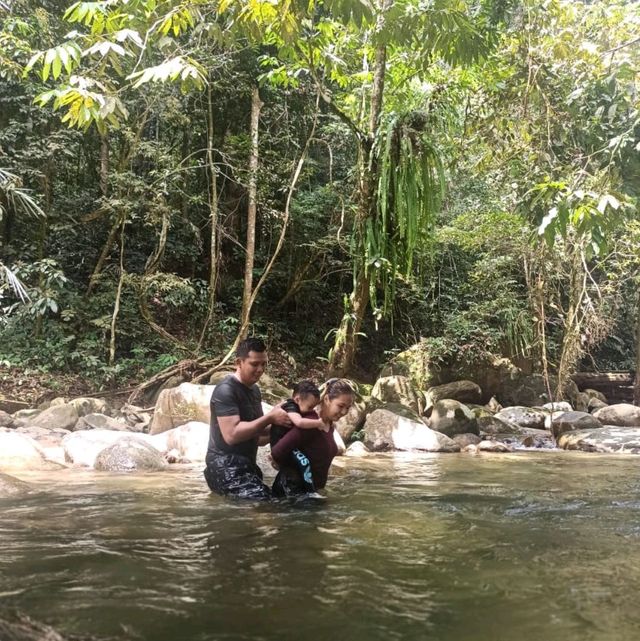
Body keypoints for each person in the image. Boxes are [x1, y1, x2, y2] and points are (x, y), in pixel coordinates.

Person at [203, 337, 292, 500]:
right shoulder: (225, 390)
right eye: (254, 364)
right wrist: (270, 417)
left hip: (246, 467)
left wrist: (285, 425)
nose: (260, 369)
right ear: (239, 362)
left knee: (283, 500)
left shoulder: (254, 390)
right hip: (224, 466)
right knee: (264, 506)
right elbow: (232, 435)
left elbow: (257, 435)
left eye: (264, 364)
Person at [271, 378, 355, 498]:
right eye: (341, 406)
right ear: (326, 399)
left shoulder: (329, 425)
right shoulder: (310, 423)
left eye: (348, 407)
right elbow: (277, 451)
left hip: (309, 493)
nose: (344, 412)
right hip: (292, 493)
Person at [269, 380, 330, 494]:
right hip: (279, 443)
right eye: (310, 407)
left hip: (285, 443)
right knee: (304, 462)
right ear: (297, 399)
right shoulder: (290, 406)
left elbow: (310, 402)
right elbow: (300, 423)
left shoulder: (299, 403)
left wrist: (325, 390)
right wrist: (318, 423)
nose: (312, 410)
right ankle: (311, 491)